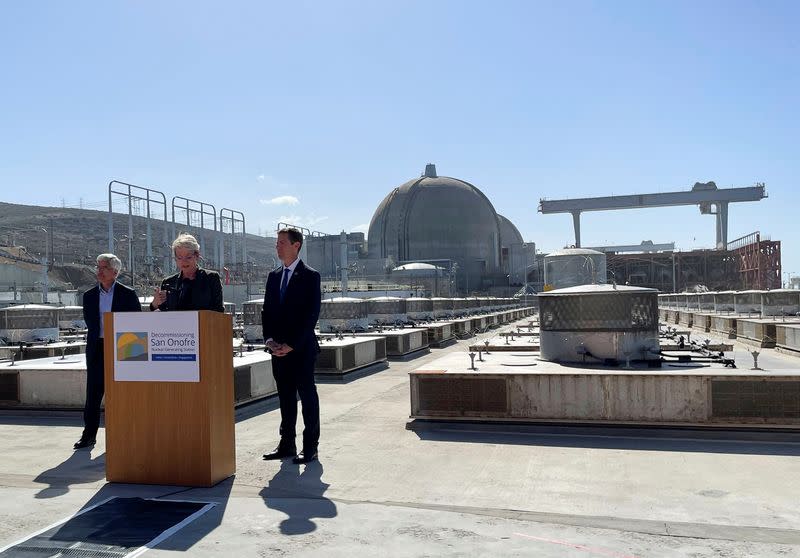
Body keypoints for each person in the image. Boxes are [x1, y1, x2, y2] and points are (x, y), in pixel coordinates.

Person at [261, 228, 321, 464]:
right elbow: (267, 312)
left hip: (301, 349)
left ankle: (310, 447)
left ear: (296, 245)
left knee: (307, 398)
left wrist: (292, 345)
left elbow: (311, 315)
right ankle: (286, 444)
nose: (277, 246)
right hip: (278, 351)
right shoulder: (274, 276)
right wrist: (269, 340)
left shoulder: (310, 276)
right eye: (276, 243)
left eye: (282, 242)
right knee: (285, 398)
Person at [75, 253, 142, 450]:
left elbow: (136, 323)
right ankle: (89, 435)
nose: (99, 271)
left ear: (115, 272)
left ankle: (125, 433)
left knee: (123, 393)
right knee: (94, 394)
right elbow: (92, 324)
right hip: (97, 349)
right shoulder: (88, 296)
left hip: (123, 349)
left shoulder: (128, 294)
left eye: (103, 267)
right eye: (98, 267)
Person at [149, 233, 224, 312]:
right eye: (180, 258)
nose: (184, 262)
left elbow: (219, 310)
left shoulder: (211, 278)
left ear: (197, 255)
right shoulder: (169, 282)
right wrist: (155, 303)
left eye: (188, 257)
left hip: (205, 323)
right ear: (175, 259)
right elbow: (160, 313)